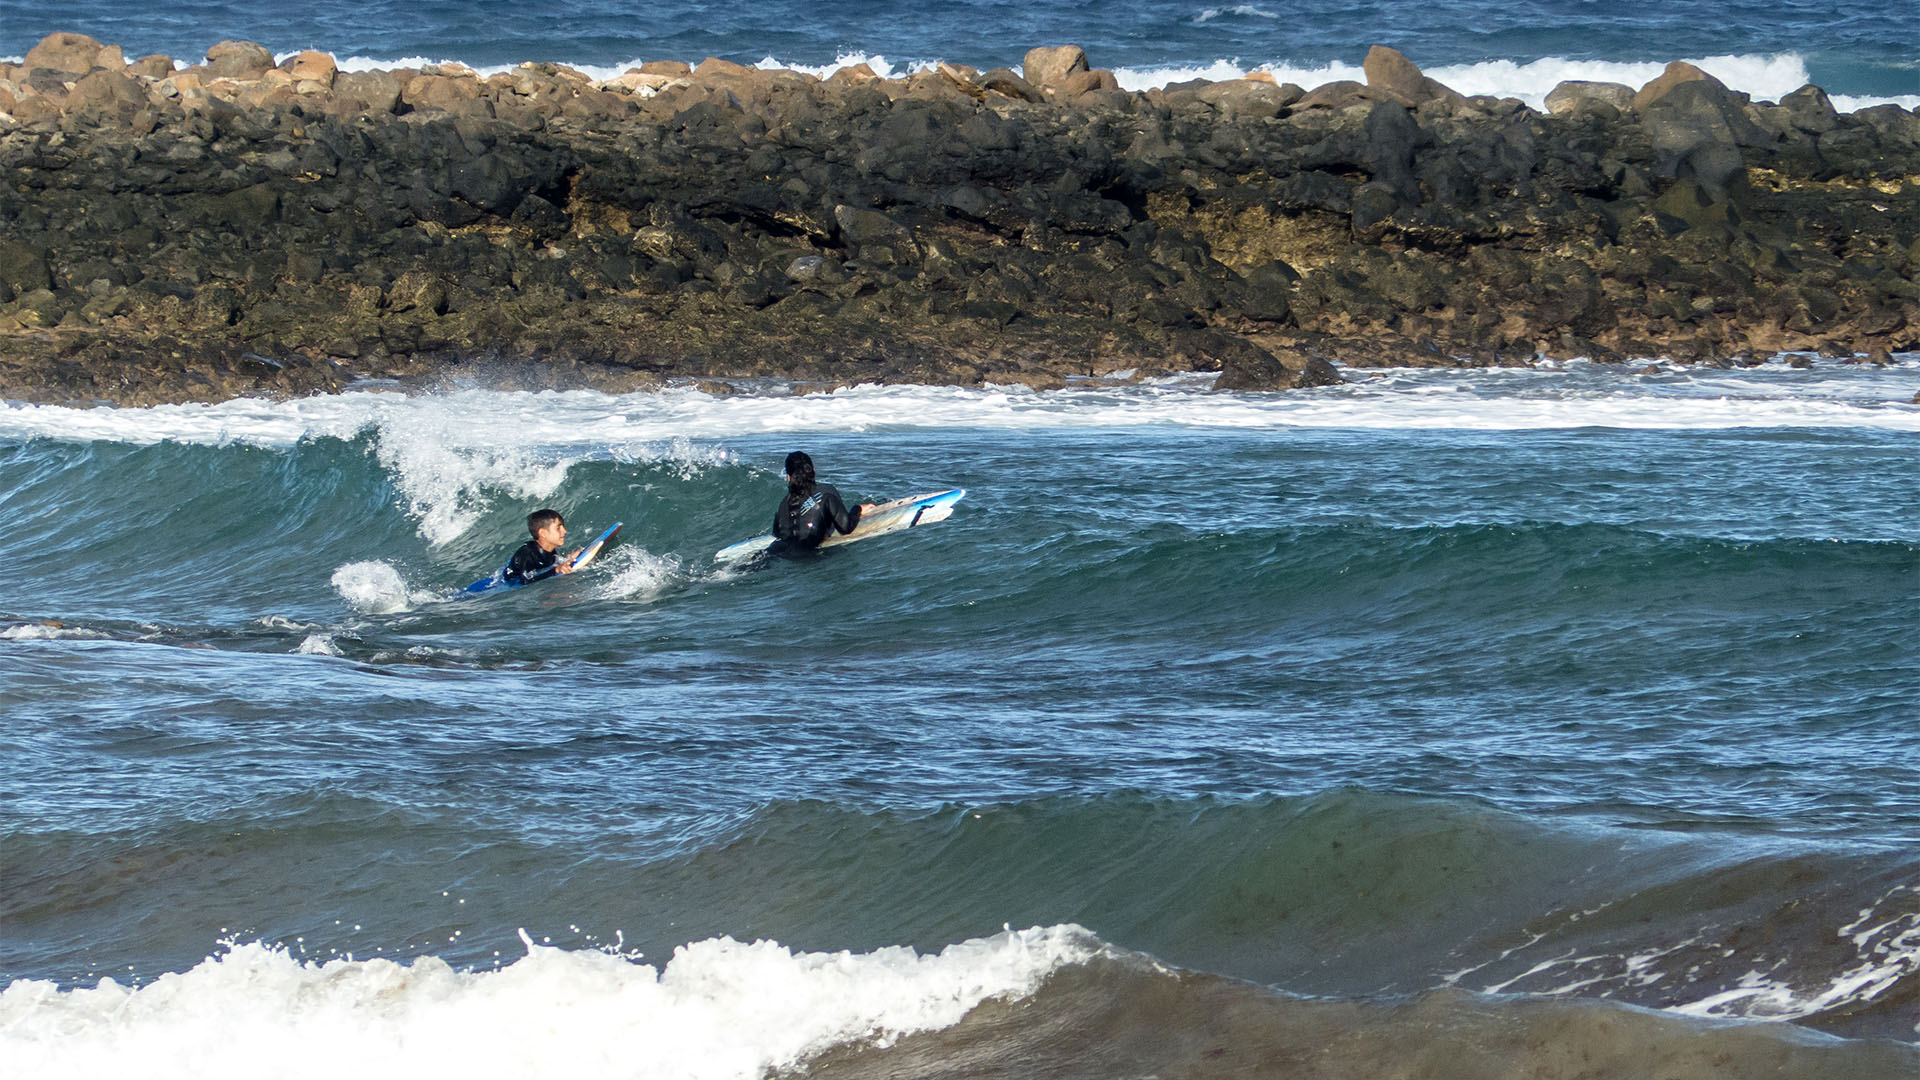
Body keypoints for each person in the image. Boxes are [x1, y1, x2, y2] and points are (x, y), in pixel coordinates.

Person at [769, 451, 873, 555]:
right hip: (806, 555)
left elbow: (778, 534)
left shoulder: (783, 503)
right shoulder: (826, 493)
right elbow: (845, 528)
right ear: (813, 469)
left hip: (775, 551)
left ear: (788, 477)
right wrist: (857, 508)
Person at [503, 508, 581, 585]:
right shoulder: (527, 554)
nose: (564, 531)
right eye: (558, 528)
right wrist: (556, 570)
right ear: (543, 533)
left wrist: (569, 559)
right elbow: (526, 581)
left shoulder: (549, 550)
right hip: (502, 586)